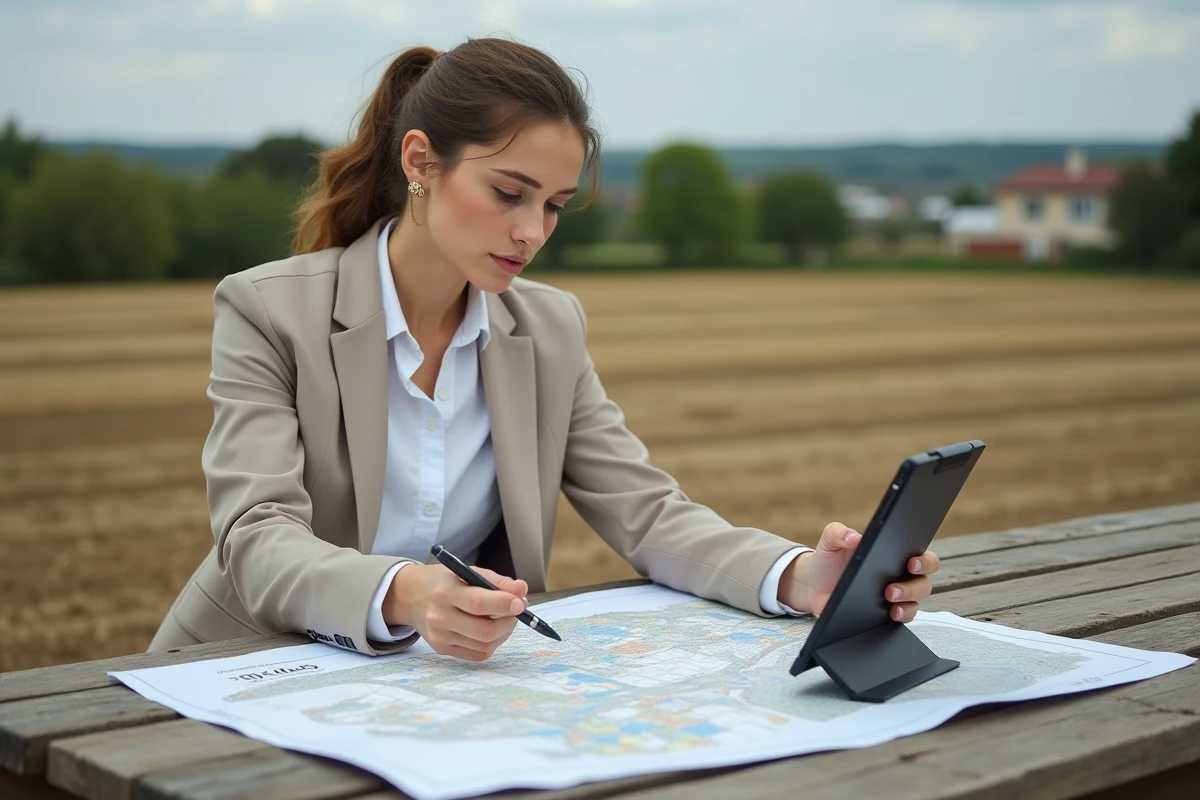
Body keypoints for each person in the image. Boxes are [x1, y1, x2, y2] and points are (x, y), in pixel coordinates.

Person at [149, 37, 939, 662]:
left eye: (555, 205)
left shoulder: (549, 327)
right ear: (421, 162)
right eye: (508, 192)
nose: (532, 232)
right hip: (234, 670)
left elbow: (649, 514)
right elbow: (257, 539)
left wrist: (802, 577)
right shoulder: (265, 308)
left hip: (417, 690)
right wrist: (409, 594)